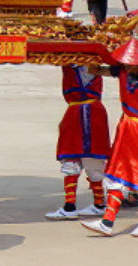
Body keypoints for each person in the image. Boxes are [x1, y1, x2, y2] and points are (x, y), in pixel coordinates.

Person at [81, 39, 138, 238]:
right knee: (117, 174)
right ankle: (107, 221)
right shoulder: (124, 73)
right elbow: (98, 70)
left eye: (132, 64)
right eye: (127, 63)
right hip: (126, 130)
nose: (128, 67)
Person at [44, 61, 110, 221]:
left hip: (85, 113)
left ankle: (73, 206)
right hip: (85, 112)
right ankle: (95, 204)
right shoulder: (89, 59)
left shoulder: (75, 60)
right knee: (83, 160)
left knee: (81, 159)